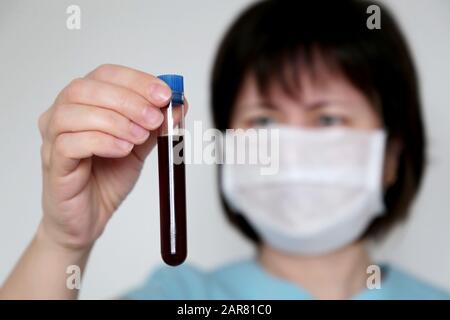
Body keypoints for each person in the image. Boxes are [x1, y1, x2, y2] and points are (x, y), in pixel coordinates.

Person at [1, 0, 449, 300]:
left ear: (392, 156)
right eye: (263, 120)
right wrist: (61, 242)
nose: (287, 150)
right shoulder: (181, 297)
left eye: (327, 118)